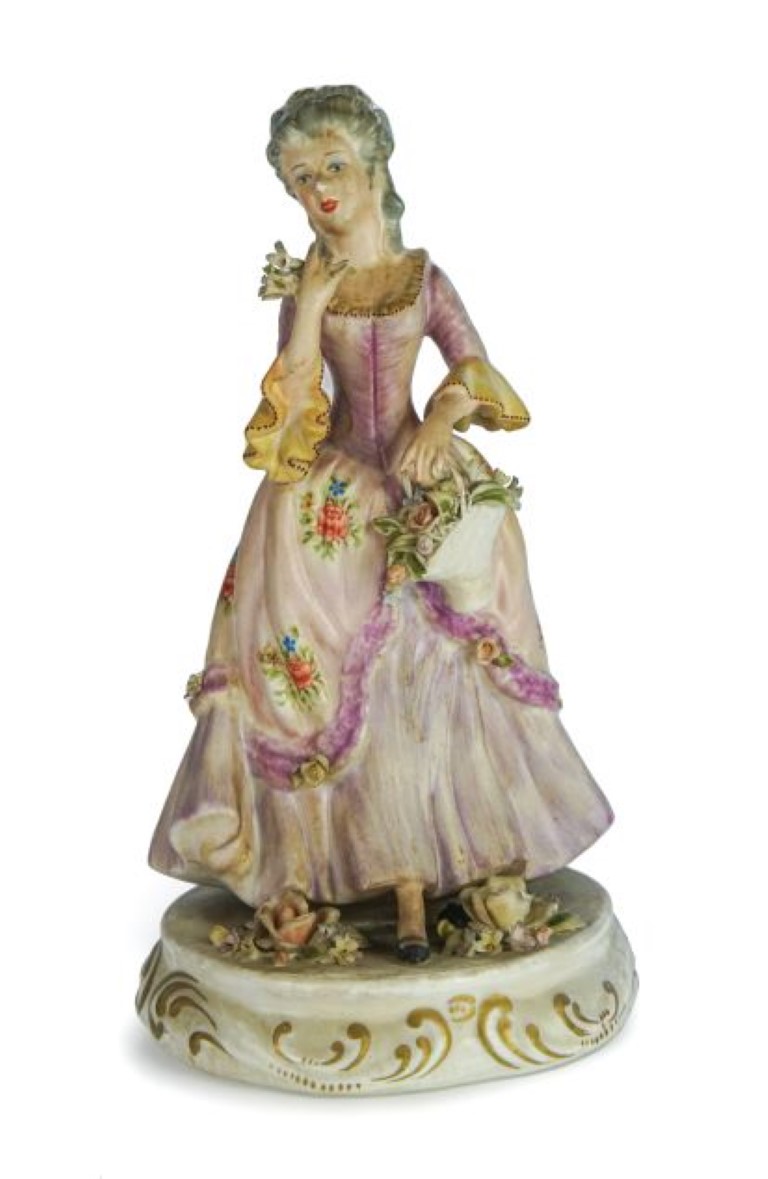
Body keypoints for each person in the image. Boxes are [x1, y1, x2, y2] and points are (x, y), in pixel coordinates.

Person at [149, 85, 612, 962]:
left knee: (447, 651)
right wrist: (310, 308)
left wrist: (438, 424)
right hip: (326, 496)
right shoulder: (308, 288)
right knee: (309, 645)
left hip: (418, 473)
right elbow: (293, 411)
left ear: (374, 169)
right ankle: (338, 865)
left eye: (332, 168)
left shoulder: (422, 279)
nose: (319, 191)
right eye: (300, 178)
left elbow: (473, 366)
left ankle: (451, 861)